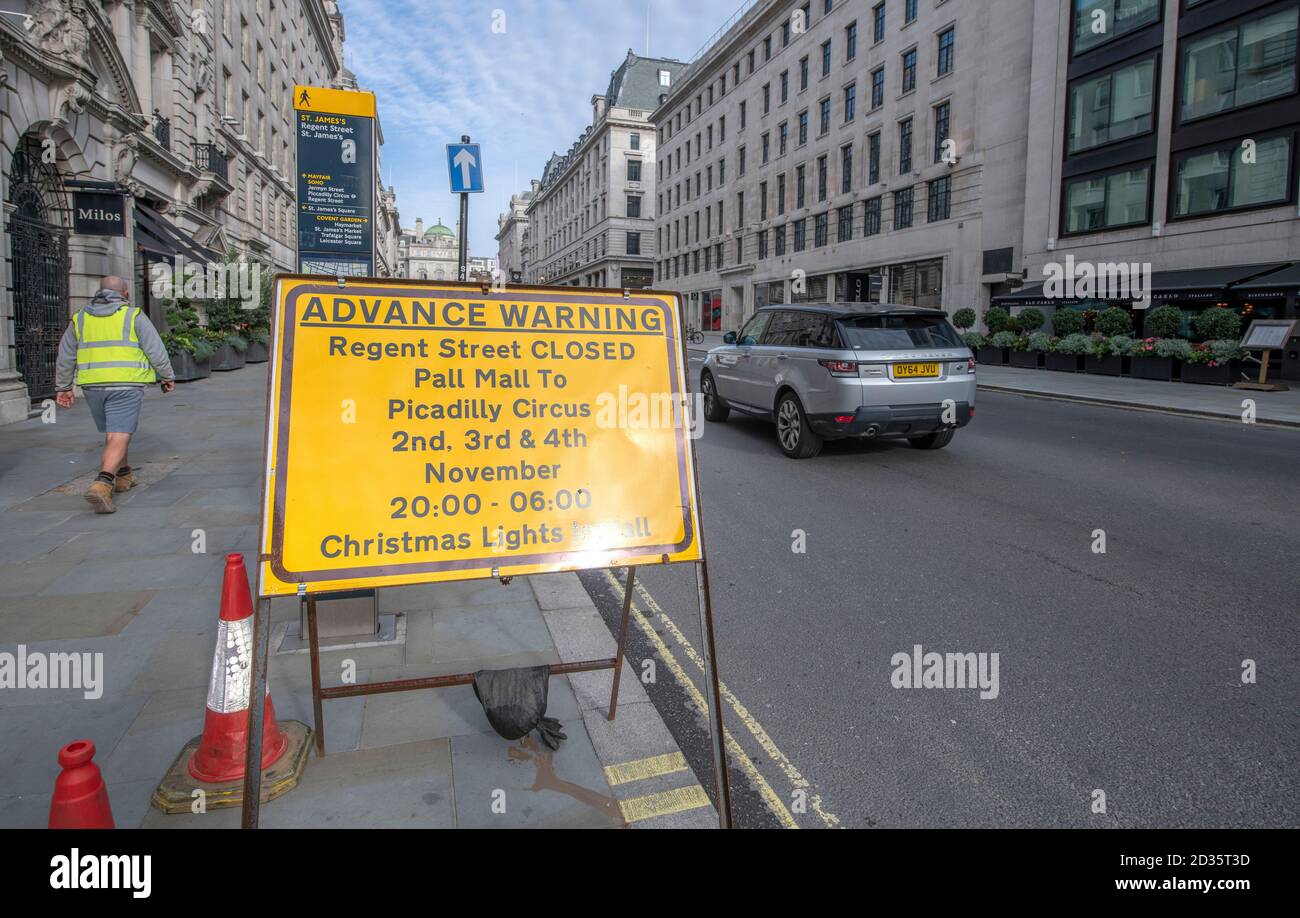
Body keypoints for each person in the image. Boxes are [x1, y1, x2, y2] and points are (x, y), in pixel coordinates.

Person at [54, 276, 175, 513]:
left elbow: (66, 354)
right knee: (119, 434)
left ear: (99, 293)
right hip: (126, 384)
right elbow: (155, 349)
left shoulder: (80, 318)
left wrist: (64, 387)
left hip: (93, 385)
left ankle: (124, 475)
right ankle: (103, 483)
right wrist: (167, 376)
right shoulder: (132, 315)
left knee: (115, 431)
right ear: (125, 293)